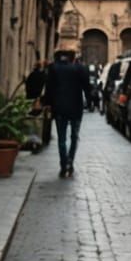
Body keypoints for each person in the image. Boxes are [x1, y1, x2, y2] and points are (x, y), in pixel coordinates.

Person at [45, 49, 89, 179]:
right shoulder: (80, 69)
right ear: (73, 57)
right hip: (76, 108)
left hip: (59, 108)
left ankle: (63, 165)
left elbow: (49, 89)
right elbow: (87, 87)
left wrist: (46, 103)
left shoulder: (53, 68)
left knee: (62, 138)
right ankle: (70, 161)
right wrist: (92, 101)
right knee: (74, 136)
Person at [24, 57, 51, 147]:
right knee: (39, 119)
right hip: (39, 100)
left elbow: (27, 85)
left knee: (31, 117)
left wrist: (29, 95)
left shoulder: (32, 74)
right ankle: (39, 137)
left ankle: (32, 136)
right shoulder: (44, 75)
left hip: (30, 98)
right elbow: (45, 88)